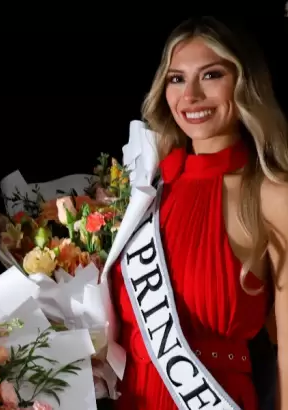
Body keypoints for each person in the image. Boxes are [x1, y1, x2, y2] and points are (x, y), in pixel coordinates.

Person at [109, 16, 286, 409]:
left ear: (244, 85)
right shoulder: (147, 191)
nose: (190, 95)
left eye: (211, 75)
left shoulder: (272, 196)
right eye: (176, 79)